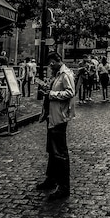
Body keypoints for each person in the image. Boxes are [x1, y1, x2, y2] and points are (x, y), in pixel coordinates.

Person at [36, 51, 75, 201]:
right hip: (52, 116)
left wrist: (51, 94)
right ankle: (51, 179)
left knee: (60, 153)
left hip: (59, 117)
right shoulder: (57, 74)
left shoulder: (66, 75)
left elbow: (70, 92)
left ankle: (64, 187)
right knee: (52, 151)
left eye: (50, 64)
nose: (49, 67)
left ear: (53, 62)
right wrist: (46, 89)